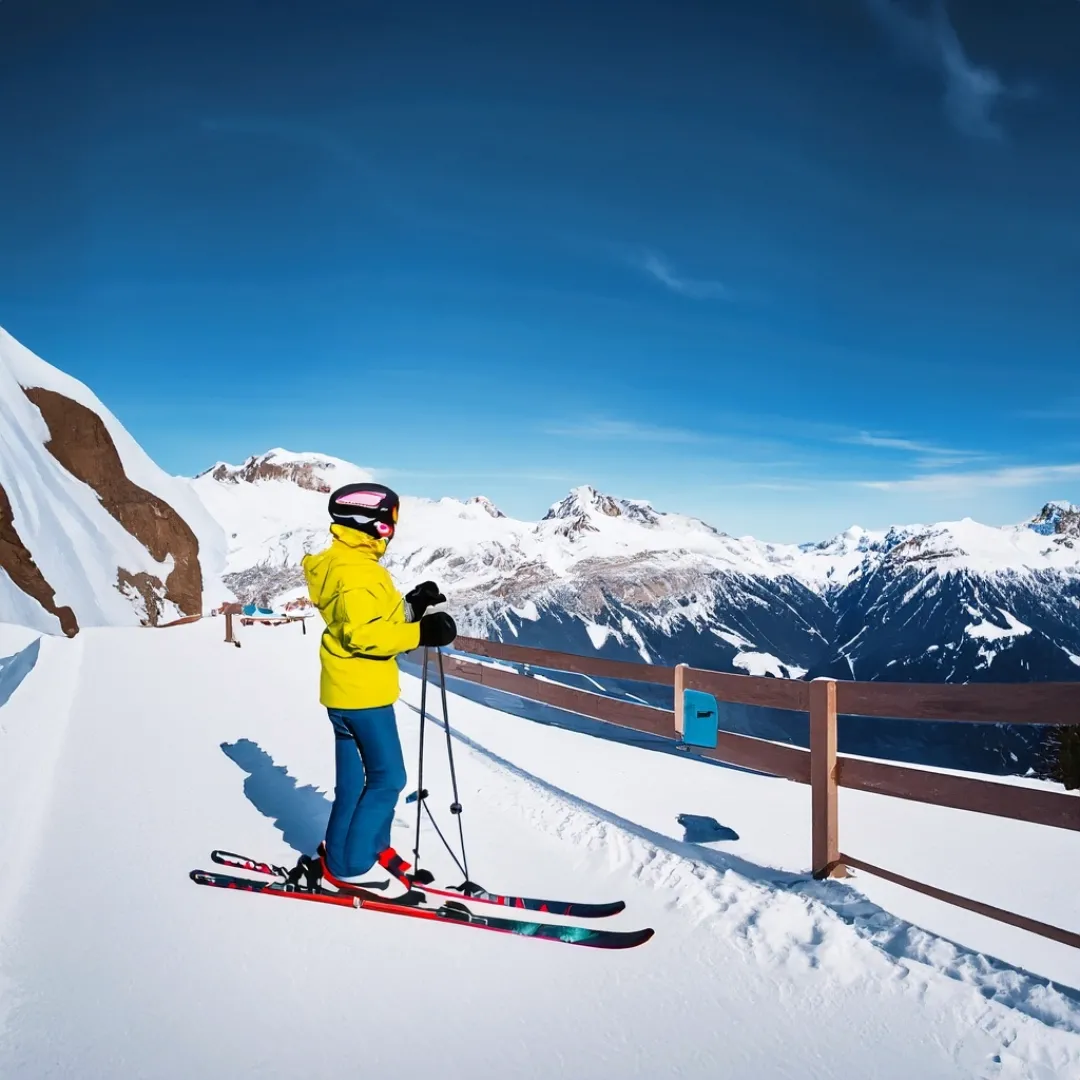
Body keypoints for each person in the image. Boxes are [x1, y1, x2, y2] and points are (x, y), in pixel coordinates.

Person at [301, 482, 457, 890]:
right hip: (365, 694)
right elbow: (362, 634)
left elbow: (371, 617)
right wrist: (420, 633)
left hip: (344, 689)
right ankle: (352, 866)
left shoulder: (343, 562)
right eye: (388, 524)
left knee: (354, 783)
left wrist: (411, 606)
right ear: (369, 523)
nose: (391, 532)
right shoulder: (356, 572)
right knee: (388, 779)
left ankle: (358, 847)